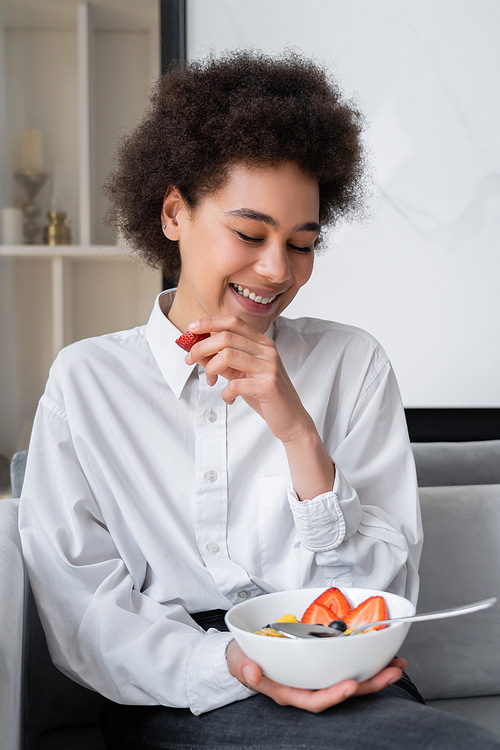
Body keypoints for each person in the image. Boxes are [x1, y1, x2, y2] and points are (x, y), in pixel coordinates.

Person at [19, 51, 500, 749]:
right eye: (250, 234)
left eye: (302, 244)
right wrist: (237, 664)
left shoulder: (351, 363)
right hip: (180, 693)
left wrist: (297, 432)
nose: (277, 270)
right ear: (174, 212)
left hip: (349, 672)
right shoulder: (87, 382)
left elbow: (383, 597)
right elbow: (83, 613)